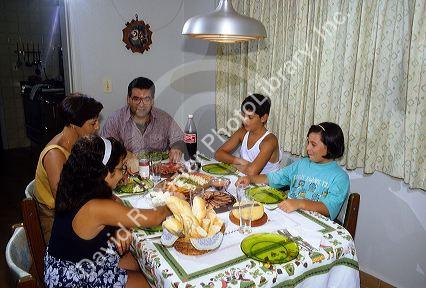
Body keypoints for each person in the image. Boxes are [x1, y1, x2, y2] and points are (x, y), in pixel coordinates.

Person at [44, 135, 171, 288]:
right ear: (104, 174)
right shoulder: (96, 207)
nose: (123, 174)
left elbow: (115, 205)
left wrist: (120, 227)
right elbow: (156, 217)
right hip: (76, 279)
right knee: (153, 284)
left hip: (68, 265)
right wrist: (175, 199)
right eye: (120, 169)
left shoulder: (77, 189)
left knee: (138, 263)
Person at [236, 122, 349, 220]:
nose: (308, 148)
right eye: (308, 142)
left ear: (330, 147)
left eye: (313, 145)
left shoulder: (340, 177)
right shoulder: (302, 164)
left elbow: (329, 208)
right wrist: (250, 179)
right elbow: (275, 177)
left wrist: (300, 203)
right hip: (289, 217)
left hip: (312, 226)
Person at [34, 94, 103, 243]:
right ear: (74, 124)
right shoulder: (55, 154)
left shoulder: (78, 144)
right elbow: (64, 201)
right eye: (93, 123)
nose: (97, 126)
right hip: (56, 224)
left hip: (72, 214)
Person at [100, 77, 184, 162]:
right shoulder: (115, 120)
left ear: (152, 101)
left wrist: (177, 147)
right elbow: (105, 147)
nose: (141, 104)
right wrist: (126, 154)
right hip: (127, 171)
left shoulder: (164, 118)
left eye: (146, 99)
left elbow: (179, 138)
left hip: (159, 171)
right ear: (128, 99)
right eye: (136, 99)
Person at [215, 94, 282, 175]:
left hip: (268, 185)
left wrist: (232, 164)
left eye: (250, 117)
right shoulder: (242, 132)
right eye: (243, 115)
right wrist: (240, 161)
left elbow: (252, 172)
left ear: (263, 118)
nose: (244, 120)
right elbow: (218, 154)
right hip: (246, 180)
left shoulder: (270, 141)